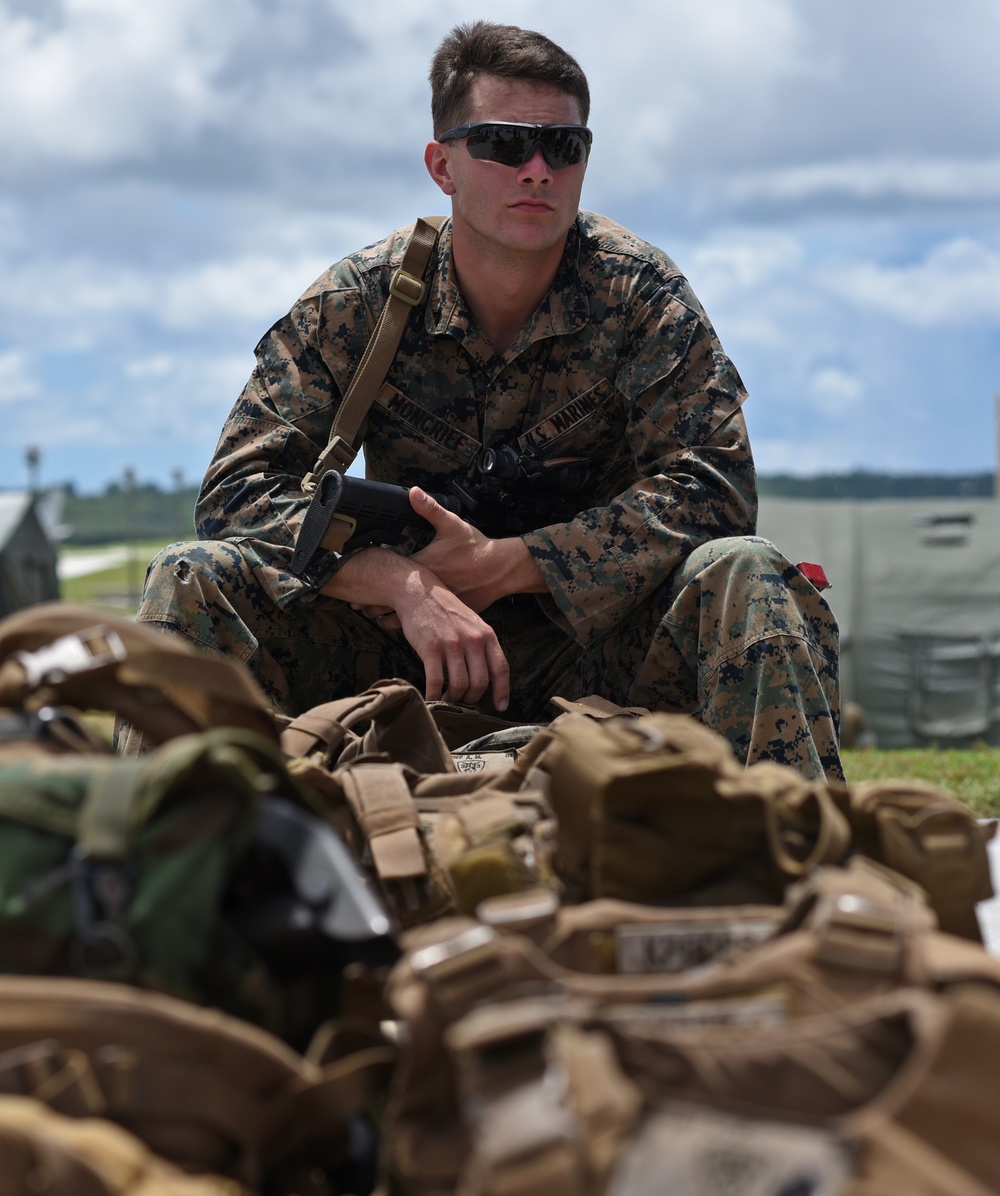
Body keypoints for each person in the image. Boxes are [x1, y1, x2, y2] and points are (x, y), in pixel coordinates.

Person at [130, 20, 843, 781]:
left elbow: (716, 492)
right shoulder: (358, 303)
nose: (537, 170)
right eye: (504, 145)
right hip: (393, 653)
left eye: (563, 148)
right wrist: (404, 583)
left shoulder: (641, 296)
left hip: (599, 652)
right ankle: (155, 870)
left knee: (748, 569)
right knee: (191, 573)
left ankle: (805, 865)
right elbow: (237, 496)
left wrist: (508, 564)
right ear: (443, 164)